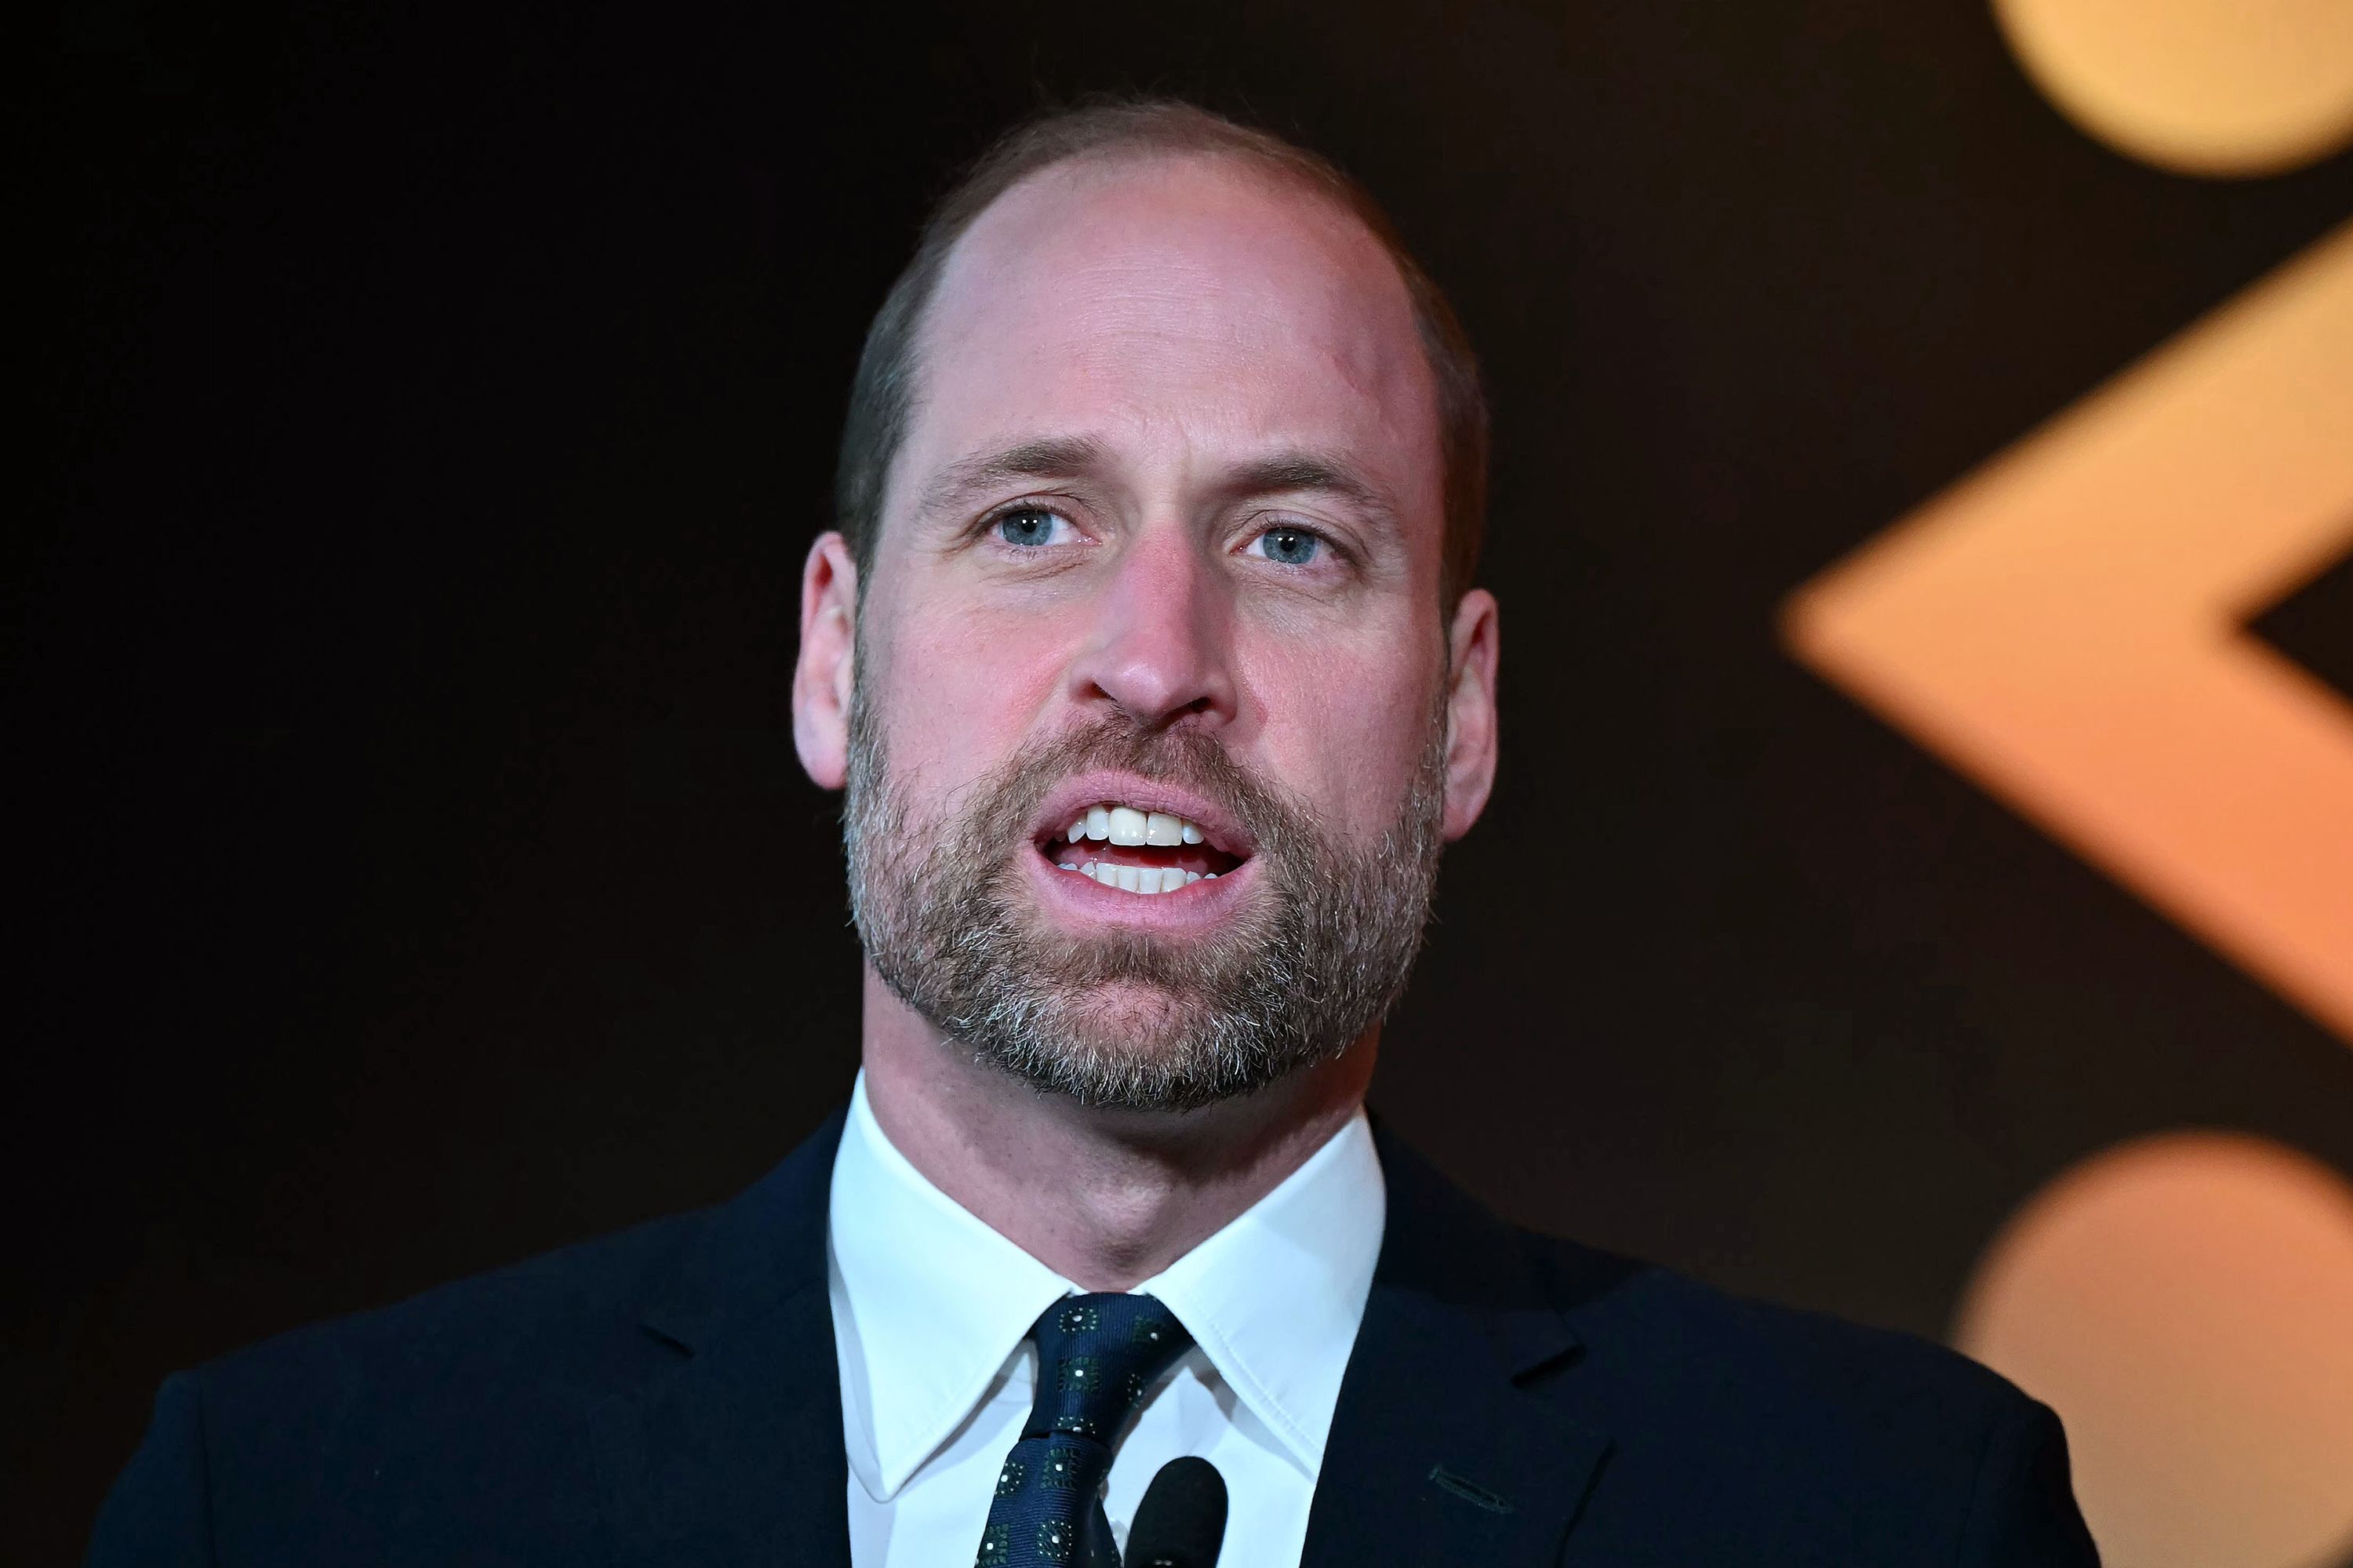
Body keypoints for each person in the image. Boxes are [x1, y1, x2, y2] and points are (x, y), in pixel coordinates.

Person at [86, 98, 2098, 1566]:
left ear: (1462, 713)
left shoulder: (1886, 1517)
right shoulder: (290, 1507)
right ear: (833, 654)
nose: (1157, 660)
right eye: (1034, 522)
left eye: (1293, 542)